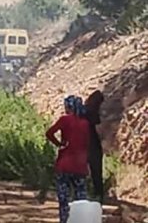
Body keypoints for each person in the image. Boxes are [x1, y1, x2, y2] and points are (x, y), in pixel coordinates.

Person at [46, 95, 91, 223]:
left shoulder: (64, 120)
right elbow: (87, 143)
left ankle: (65, 220)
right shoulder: (85, 124)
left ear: (68, 106)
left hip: (64, 164)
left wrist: (59, 144)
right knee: (81, 197)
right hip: (80, 165)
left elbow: (49, 133)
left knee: (63, 198)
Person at [84, 90, 105, 204]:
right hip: (92, 145)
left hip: (82, 145)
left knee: (82, 172)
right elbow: (99, 126)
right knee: (97, 172)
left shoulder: (83, 111)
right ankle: (98, 195)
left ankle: (83, 194)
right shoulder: (92, 112)